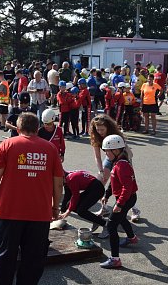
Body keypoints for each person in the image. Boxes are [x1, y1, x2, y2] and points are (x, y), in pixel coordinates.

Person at [0, 112, 63, 285]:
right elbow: (58, 183)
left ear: (18, 127)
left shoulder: (7, 145)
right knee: (33, 256)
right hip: (39, 213)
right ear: (38, 127)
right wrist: (55, 207)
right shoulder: (50, 149)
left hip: (9, 211)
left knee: (5, 253)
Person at [89, 114, 140, 223]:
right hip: (109, 158)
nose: (100, 132)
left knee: (125, 185)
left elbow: (126, 153)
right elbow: (97, 157)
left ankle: (134, 209)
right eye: (98, 129)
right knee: (100, 182)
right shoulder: (96, 136)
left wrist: (124, 165)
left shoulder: (115, 135)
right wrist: (101, 170)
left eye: (102, 129)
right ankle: (104, 208)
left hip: (122, 158)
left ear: (108, 127)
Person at [99, 135, 138, 269]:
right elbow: (114, 180)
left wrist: (120, 204)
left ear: (116, 150)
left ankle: (115, 259)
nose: (106, 154)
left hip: (126, 198)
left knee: (111, 226)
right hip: (125, 198)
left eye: (107, 151)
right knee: (120, 219)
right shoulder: (118, 163)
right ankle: (132, 238)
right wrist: (107, 194)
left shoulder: (122, 165)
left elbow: (127, 188)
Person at [58, 170, 108, 238]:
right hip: (91, 188)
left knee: (81, 211)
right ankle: (96, 219)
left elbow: (75, 196)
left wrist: (68, 212)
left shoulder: (71, 179)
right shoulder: (67, 178)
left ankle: (106, 225)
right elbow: (67, 196)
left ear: (62, 177)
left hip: (97, 189)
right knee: (68, 205)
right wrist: (62, 212)